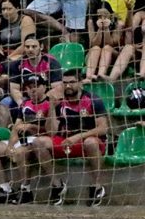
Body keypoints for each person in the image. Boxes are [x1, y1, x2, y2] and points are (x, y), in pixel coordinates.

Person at [30, 70, 109, 207]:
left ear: (80, 83)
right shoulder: (59, 103)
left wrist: (77, 137)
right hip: (66, 142)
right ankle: (57, 185)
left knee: (90, 142)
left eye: (71, 82)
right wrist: (52, 109)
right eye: (65, 83)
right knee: (38, 142)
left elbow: (103, 128)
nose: (67, 86)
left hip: (87, 142)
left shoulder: (93, 99)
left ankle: (96, 186)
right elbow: (51, 131)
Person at [0, 74, 51, 205]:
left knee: (20, 152)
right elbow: (16, 127)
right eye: (29, 87)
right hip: (22, 139)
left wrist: (31, 126)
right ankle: (6, 190)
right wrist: (10, 146)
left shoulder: (50, 104)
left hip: (39, 140)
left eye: (36, 86)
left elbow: (51, 130)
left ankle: (26, 190)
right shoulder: (25, 104)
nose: (32, 90)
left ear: (44, 87)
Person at [84, 5, 120, 83]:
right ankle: (89, 77)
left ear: (110, 15)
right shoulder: (91, 22)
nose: (102, 19)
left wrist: (106, 29)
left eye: (105, 16)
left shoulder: (118, 24)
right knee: (96, 48)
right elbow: (93, 44)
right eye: (100, 16)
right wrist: (100, 29)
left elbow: (111, 44)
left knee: (107, 47)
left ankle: (101, 75)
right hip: (93, 54)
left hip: (112, 54)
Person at [108, 10, 145, 81]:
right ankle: (111, 79)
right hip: (139, 54)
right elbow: (129, 29)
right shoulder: (141, 14)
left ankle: (142, 74)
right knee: (128, 47)